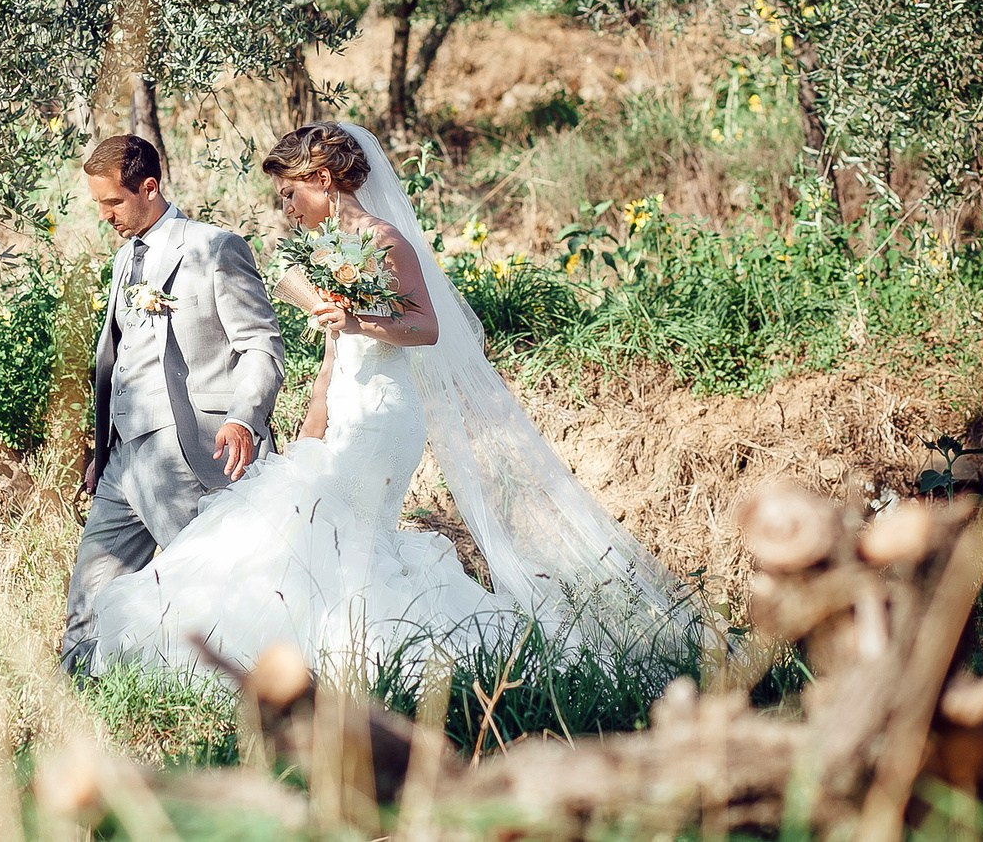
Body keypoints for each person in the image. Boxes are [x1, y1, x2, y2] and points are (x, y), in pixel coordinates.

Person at [91, 122, 700, 678]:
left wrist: (358, 321)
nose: (287, 208)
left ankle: (364, 658)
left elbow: (426, 327)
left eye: (290, 193)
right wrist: (311, 427)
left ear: (323, 180)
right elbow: (333, 356)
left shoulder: (384, 241)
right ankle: (335, 654)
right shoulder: (326, 252)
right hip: (344, 409)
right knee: (327, 535)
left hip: (384, 414)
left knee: (333, 533)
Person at [59, 134, 285, 676]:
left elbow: (261, 345)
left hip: (188, 450)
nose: (105, 216)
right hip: (121, 460)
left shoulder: (214, 247)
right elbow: (121, 360)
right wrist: (104, 447)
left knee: (210, 588)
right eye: (99, 204)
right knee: (90, 590)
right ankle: (71, 695)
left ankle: (249, 689)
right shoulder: (124, 260)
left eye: (113, 202)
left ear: (148, 187)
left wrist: (243, 417)